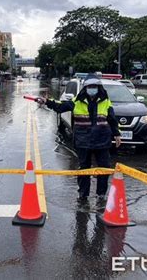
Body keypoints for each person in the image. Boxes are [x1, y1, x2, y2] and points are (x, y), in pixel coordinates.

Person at [38, 73, 121, 202]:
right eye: (90, 86)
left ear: (99, 87)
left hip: (102, 140)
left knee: (104, 169)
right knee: (84, 169)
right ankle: (83, 195)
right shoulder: (77, 101)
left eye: (95, 86)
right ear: (85, 87)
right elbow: (61, 106)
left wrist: (117, 134)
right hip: (83, 141)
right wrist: (47, 102)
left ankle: (101, 195)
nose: (92, 89)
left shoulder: (105, 101)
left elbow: (112, 119)